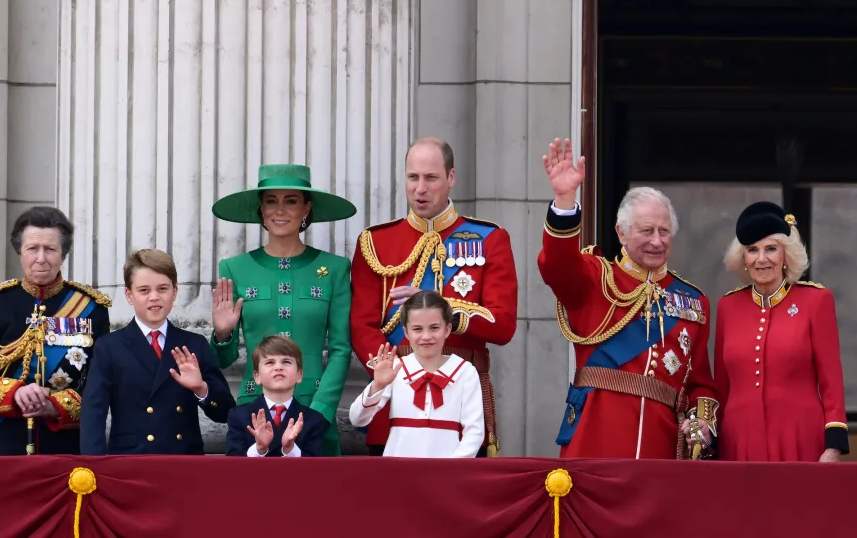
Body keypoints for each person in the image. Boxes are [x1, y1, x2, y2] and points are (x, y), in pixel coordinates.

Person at [538, 138, 718, 459]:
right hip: (596, 438)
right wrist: (565, 201)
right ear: (621, 233)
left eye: (664, 232)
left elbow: (700, 384)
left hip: (660, 446)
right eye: (646, 230)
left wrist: (701, 421)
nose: (656, 241)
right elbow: (557, 266)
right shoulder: (595, 278)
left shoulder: (692, 301)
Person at [350, 137, 517, 457]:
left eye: (431, 178)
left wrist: (443, 309)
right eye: (413, 177)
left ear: (451, 178)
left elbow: (504, 324)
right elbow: (361, 326)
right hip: (396, 396)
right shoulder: (375, 242)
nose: (420, 188)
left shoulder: (489, 239)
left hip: (460, 395)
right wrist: (403, 375)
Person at [210, 164, 355, 456]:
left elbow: (341, 349)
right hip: (254, 414)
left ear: (306, 209)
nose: (280, 210)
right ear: (261, 210)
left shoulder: (335, 269)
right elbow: (223, 361)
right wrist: (222, 333)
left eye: (291, 201)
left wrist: (320, 412)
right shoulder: (234, 269)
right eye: (271, 201)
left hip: (314, 409)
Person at [0, 206, 111, 455]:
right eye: (32, 249)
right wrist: (15, 393)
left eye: (50, 249)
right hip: (3, 449)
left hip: (66, 451)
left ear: (63, 255)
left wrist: (55, 406)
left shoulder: (91, 308)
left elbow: (101, 387)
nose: (41, 258)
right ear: (20, 252)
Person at [714, 202, 849, 462]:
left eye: (771, 249)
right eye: (752, 250)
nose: (761, 258)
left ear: (785, 254)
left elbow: (831, 382)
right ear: (743, 258)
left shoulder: (816, 301)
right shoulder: (727, 307)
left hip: (799, 439)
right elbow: (722, 387)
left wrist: (833, 446)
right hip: (739, 443)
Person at [80, 249, 235, 455]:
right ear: (129, 295)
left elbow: (226, 413)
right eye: (144, 290)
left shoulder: (193, 344)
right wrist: (94, 467)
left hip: (184, 461)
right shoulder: (109, 347)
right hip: (131, 462)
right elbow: (93, 413)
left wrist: (201, 389)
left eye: (162, 288)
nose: (154, 297)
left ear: (175, 292)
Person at [349, 291, 484, 457]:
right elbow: (357, 419)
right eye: (417, 329)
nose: (426, 336)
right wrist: (378, 385)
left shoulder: (465, 371)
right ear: (406, 332)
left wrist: (450, 469)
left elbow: (474, 432)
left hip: (447, 473)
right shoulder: (396, 368)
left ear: (447, 329)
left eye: (434, 328)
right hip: (398, 472)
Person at [225, 335, 328, 457]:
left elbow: (316, 470)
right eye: (270, 362)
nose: (278, 367)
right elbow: (232, 467)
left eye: (286, 362)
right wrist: (259, 449)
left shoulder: (313, 420)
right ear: (257, 376)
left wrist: (290, 449)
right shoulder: (240, 416)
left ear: (299, 375)